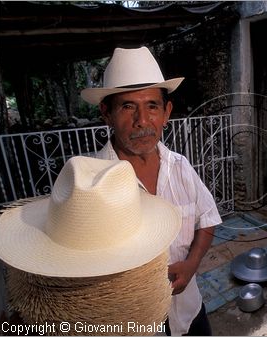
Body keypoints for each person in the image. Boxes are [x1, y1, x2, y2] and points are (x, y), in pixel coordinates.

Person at [81, 46, 222, 336]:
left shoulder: (180, 167)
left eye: (152, 106)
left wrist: (192, 264)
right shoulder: (89, 185)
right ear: (106, 113)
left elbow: (207, 218)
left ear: (166, 113)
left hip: (189, 310)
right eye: (128, 106)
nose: (142, 121)